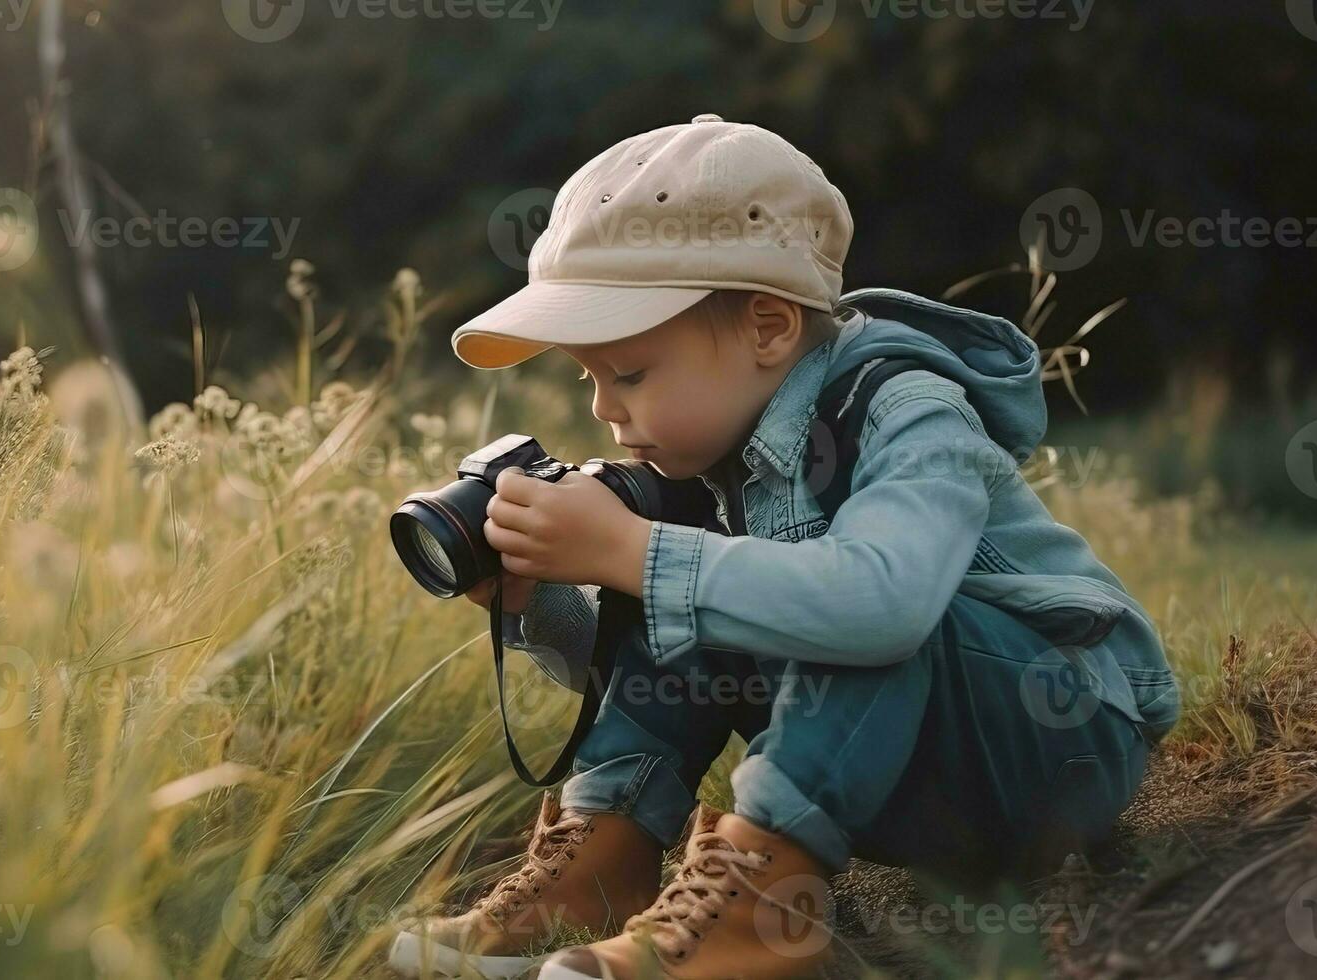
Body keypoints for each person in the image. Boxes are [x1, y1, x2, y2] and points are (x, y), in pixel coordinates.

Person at [388, 113, 1179, 980]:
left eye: (631, 373)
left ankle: (762, 916)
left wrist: (635, 552)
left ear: (767, 329)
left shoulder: (906, 406)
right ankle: (597, 870)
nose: (602, 412)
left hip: (1055, 746)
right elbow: (653, 669)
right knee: (695, 585)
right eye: (589, 378)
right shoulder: (715, 461)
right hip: (904, 778)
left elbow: (881, 609)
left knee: (826, 601)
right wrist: (539, 602)